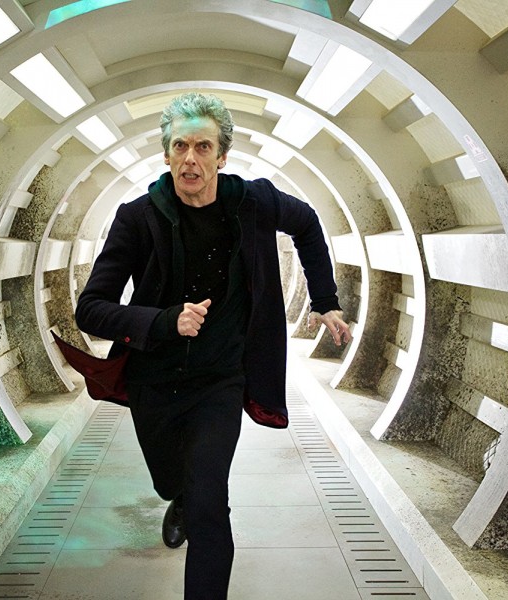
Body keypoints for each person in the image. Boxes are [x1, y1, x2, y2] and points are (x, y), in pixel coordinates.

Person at [74, 92, 352, 600]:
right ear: (166, 154)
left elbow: (308, 223)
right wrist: (164, 321)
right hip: (154, 381)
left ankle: (194, 510)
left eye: (203, 147)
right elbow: (90, 309)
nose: (190, 159)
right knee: (171, 481)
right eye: (180, 146)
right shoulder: (137, 218)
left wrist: (325, 301)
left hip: (220, 380)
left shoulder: (255, 202)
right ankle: (176, 495)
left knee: (209, 502)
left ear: (222, 157)